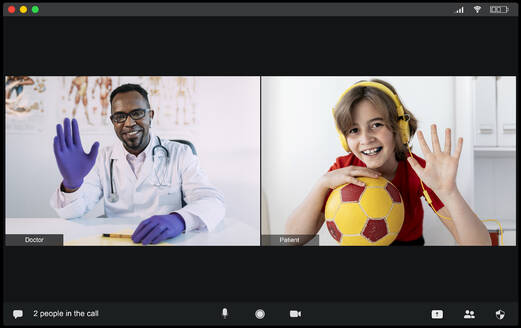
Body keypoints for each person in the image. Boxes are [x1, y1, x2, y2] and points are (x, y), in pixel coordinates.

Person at [285, 79, 491, 246]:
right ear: (344, 138)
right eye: (354, 130)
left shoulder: (418, 171)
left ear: (398, 128)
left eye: (376, 125)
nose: (366, 139)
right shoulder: (343, 169)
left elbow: (480, 245)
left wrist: (449, 192)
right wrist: (322, 184)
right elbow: (290, 240)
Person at [50, 83, 225, 244]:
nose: (129, 123)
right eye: (120, 116)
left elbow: (212, 201)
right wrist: (71, 185)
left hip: (165, 240)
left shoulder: (180, 153)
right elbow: (73, 213)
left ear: (151, 115)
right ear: (113, 122)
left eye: (137, 113)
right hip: (118, 240)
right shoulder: (103, 158)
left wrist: (179, 220)